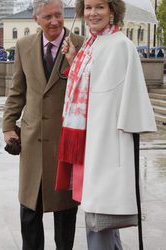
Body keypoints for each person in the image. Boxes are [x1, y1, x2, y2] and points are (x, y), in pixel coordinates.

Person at [55, 0, 157, 249]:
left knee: (100, 217)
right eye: (88, 7)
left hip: (106, 142)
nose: (92, 13)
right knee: (99, 218)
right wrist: (73, 58)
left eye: (99, 7)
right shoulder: (93, 43)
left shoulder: (121, 45)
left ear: (112, 10)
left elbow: (128, 96)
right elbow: (92, 83)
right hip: (87, 140)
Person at [2, 0, 84, 249]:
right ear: (36, 19)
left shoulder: (80, 45)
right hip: (32, 139)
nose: (55, 22)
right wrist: (8, 125)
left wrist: (74, 59)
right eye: (48, 16)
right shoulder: (24, 45)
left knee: (65, 211)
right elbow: (18, 91)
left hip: (65, 139)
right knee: (29, 210)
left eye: (59, 15)